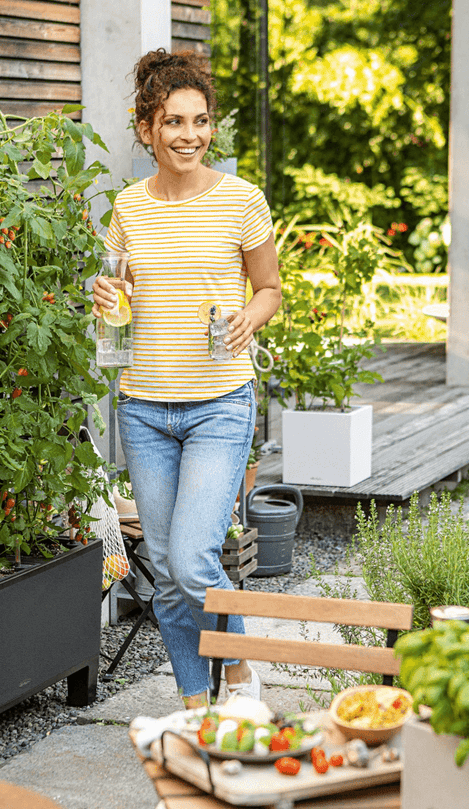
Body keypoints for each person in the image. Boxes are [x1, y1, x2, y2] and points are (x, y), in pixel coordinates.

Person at [92, 48, 282, 711]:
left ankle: (239, 673)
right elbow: (117, 295)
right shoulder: (128, 208)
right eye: (173, 121)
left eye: (200, 121)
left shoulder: (240, 199)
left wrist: (249, 318)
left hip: (219, 404)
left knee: (194, 558)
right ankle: (195, 703)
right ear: (147, 129)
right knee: (169, 572)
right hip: (144, 408)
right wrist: (103, 295)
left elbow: (269, 288)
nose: (189, 135)